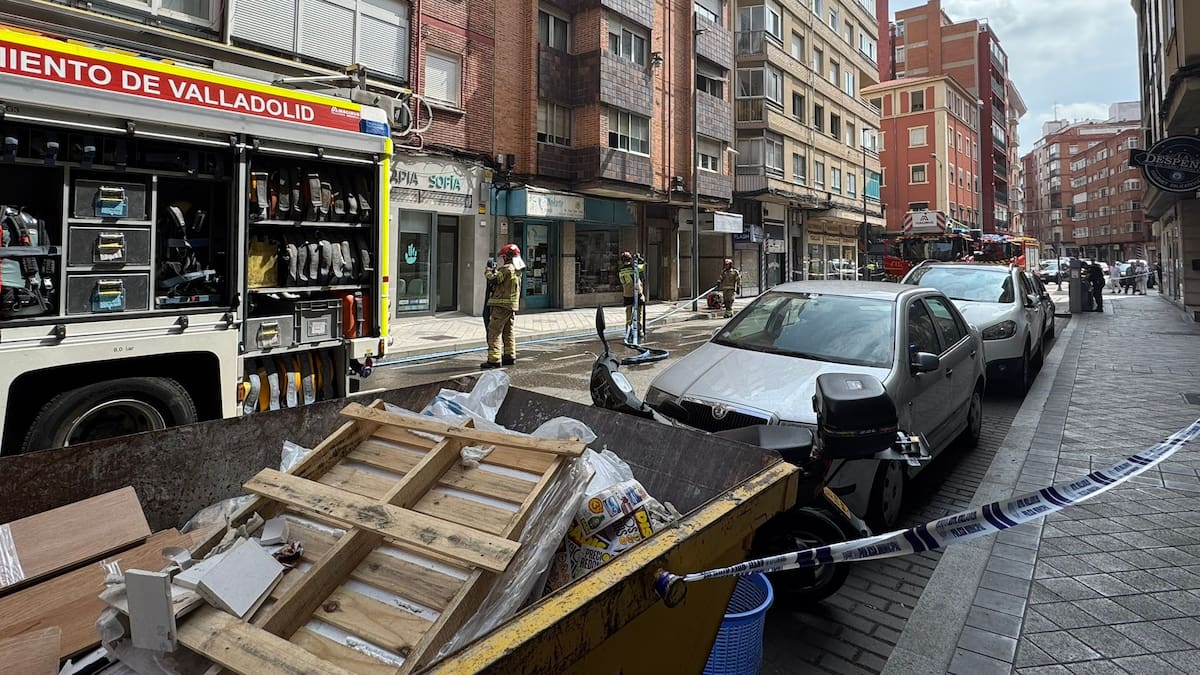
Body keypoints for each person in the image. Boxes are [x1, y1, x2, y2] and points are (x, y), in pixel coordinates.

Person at [481, 243, 523, 369]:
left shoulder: (506, 269)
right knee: (508, 331)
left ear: (507, 256)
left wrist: (488, 271)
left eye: (503, 257)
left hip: (501, 306)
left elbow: (494, 279)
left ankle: (494, 360)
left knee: (494, 331)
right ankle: (509, 355)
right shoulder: (518, 269)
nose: (503, 259)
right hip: (511, 306)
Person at [618, 251, 647, 342]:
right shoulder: (635, 268)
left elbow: (622, 282)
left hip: (627, 294)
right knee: (639, 312)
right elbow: (643, 266)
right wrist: (639, 259)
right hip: (638, 293)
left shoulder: (621, 271)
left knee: (628, 312)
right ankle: (639, 330)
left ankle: (628, 329)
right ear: (630, 259)